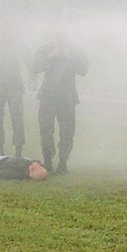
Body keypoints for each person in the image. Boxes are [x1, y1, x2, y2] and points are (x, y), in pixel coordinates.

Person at [33, 33, 89, 174]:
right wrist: (50, 57)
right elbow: (35, 67)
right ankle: (48, 160)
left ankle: (63, 162)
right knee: (46, 130)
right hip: (48, 96)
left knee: (67, 132)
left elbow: (83, 70)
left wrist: (70, 57)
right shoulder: (45, 49)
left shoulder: (75, 51)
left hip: (67, 97)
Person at [0, 24, 30, 157]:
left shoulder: (17, 42)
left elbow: (27, 58)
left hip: (13, 84)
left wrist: (32, 76)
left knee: (17, 118)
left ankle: (18, 151)